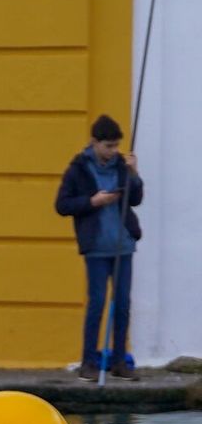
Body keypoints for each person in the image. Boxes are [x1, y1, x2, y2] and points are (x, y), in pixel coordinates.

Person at [55, 113, 144, 381]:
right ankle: (88, 363)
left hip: (123, 245)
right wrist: (92, 202)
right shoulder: (78, 168)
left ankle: (119, 361)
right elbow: (62, 205)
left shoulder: (120, 166)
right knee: (97, 304)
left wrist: (134, 175)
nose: (113, 151)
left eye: (116, 146)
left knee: (123, 304)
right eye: (108, 146)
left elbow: (136, 199)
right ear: (94, 142)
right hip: (96, 247)